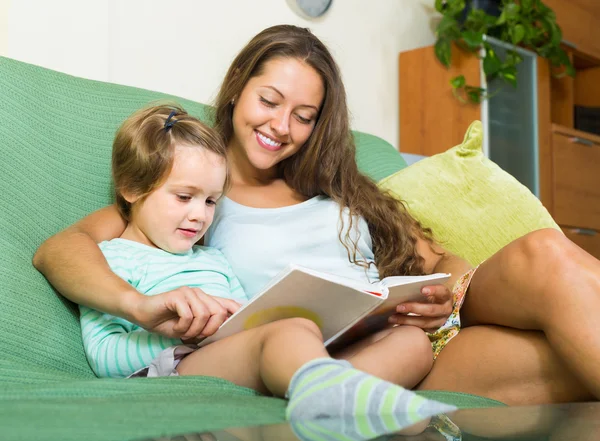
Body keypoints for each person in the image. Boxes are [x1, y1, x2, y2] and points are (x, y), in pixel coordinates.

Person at [33, 25, 600, 406]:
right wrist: (136, 305)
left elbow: (441, 259)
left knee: (544, 251)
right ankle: (338, 409)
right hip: (365, 362)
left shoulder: (336, 188)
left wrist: (440, 294)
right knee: (570, 360)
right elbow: (61, 250)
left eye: (304, 116)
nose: (282, 127)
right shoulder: (192, 191)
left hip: (425, 327)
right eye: (270, 102)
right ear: (237, 93)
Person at [76, 102, 451, 430]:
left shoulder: (212, 260)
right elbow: (103, 354)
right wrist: (177, 334)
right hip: (172, 369)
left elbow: (247, 321)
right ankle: (348, 409)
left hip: (240, 362)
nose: (198, 216)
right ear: (131, 188)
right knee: (289, 332)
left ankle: (340, 409)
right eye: (184, 197)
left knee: (411, 341)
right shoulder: (111, 258)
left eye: (210, 202)